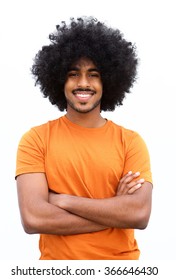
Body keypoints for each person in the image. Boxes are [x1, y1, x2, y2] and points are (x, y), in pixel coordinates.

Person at [15, 16, 153, 260]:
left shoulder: (130, 141)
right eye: (73, 74)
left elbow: (139, 214)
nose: (83, 83)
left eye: (93, 74)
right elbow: (34, 217)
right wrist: (114, 211)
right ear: (60, 79)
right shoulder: (36, 139)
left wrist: (63, 200)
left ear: (108, 80)